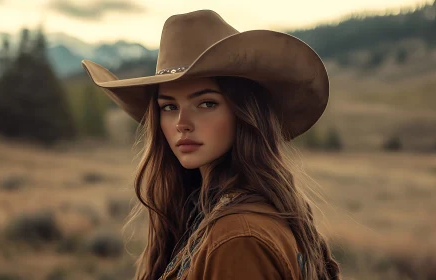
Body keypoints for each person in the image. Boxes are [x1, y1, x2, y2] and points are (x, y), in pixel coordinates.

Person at [81, 9, 341, 280]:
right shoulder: (210, 216)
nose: (182, 123)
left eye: (206, 103)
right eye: (169, 106)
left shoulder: (239, 240)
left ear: (243, 114)